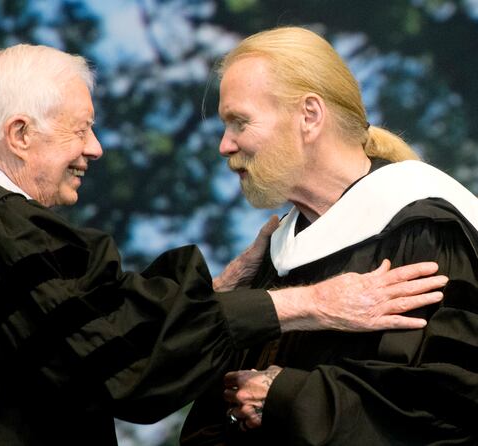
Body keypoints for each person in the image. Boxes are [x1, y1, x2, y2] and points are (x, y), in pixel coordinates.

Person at [0, 44, 446, 446]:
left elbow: (83, 325)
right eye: (81, 130)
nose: (95, 149)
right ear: (20, 134)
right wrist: (309, 303)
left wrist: (218, 290)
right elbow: (116, 354)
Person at [180, 26, 478, 446]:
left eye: (239, 122)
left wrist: (285, 395)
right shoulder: (273, 256)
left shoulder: (424, 231)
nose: (225, 145)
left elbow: (446, 402)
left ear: (310, 115)